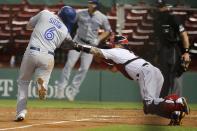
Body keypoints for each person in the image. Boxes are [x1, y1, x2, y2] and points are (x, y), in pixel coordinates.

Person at [70, 35, 190, 125]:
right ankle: (174, 114)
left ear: (118, 44)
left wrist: (78, 46)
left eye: (112, 43)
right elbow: (113, 67)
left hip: (145, 72)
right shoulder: (124, 53)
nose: (110, 44)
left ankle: (177, 102)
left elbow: (95, 51)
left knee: (149, 104)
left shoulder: (116, 51)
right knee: (150, 107)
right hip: (153, 72)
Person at [15, 6, 77, 122]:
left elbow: (29, 25)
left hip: (32, 52)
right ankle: (42, 86)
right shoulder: (65, 31)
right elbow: (68, 44)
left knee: (23, 82)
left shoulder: (45, 13)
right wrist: (76, 45)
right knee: (43, 76)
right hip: (48, 56)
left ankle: (21, 113)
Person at [56, 0, 112, 101]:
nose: (89, 4)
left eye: (91, 3)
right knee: (69, 64)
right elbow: (70, 19)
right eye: (89, 2)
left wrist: (98, 39)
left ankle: (73, 91)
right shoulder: (80, 12)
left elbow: (108, 30)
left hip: (90, 45)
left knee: (84, 68)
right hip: (78, 41)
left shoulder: (102, 17)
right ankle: (61, 88)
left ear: (95, 5)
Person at [152, 0, 191, 97]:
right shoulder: (156, 21)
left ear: (166, 7)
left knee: (175, 75)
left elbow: (184, 35)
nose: (159, 8)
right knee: (163, 77)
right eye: (158, 6)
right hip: (163, 50)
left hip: (173, 49)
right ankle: (164, 102)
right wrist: (157, 53)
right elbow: (158, 39)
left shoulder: (173, 18)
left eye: (161, 6)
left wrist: (186, 52)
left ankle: (177, 103)